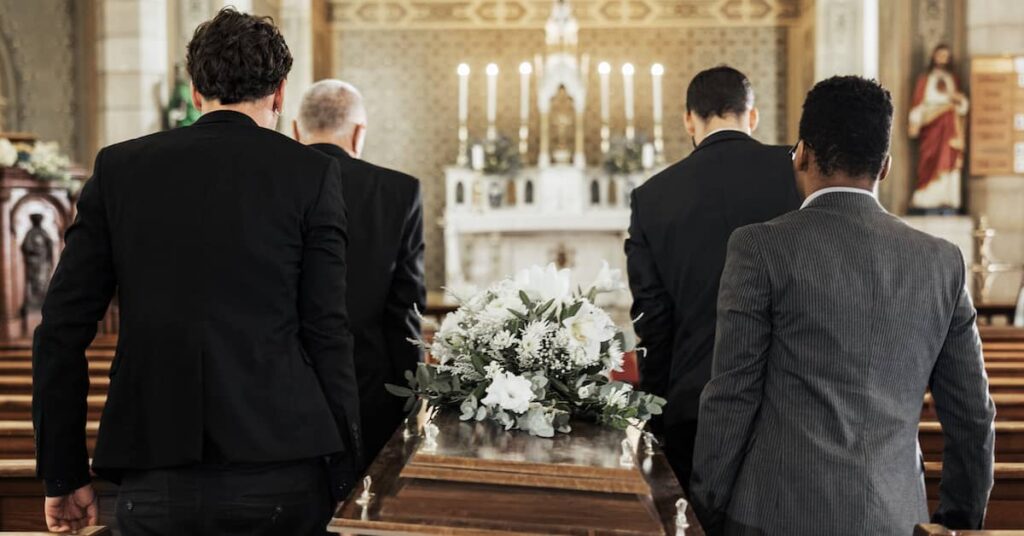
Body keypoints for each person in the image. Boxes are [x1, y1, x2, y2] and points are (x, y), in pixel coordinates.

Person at [32, 8, 361, 534]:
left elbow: (60, 332)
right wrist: (349, 472)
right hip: (281, 465)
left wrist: (61, 473)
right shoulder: (312, 174)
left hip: (156, 469)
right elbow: (327, 331)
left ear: (193, 90)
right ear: (279, 92)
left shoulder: (119, 169)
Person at [690, 76, 995, 535]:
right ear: (886, 166)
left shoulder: (760, 248)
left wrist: (706, 506)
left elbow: (732, 396)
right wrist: (958, 520)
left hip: (774, 516)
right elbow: (972, 415)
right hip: (895, 517)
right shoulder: (941, 262)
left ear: (802, 153)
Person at [624, 65, 799, 491]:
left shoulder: (653, 197)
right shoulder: (797, 172)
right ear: (751, 116)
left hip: (693, 404)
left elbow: (654, 320)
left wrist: (657, 412)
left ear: (689, 119)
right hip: (790, 402)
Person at [294, 80, 425, 467]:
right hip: (369, 387)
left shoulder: (271, 185)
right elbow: (405, 309)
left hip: (282, 389)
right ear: (358, 131)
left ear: (296, 130)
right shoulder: (398, 191)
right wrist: (409, 396)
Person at [908, 43, 968, 212]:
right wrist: (914, 121)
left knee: (948, 160)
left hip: (949, 127)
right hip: (931, 126)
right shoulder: (925, 79)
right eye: (939, 55)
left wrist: (959, 101)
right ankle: (926, 197)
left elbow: (962, 105)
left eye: (945, 56)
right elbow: (918, 103)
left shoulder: (953, 79)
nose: (942, 59)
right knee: (929, 159)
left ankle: (947, 197)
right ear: (934, 57)